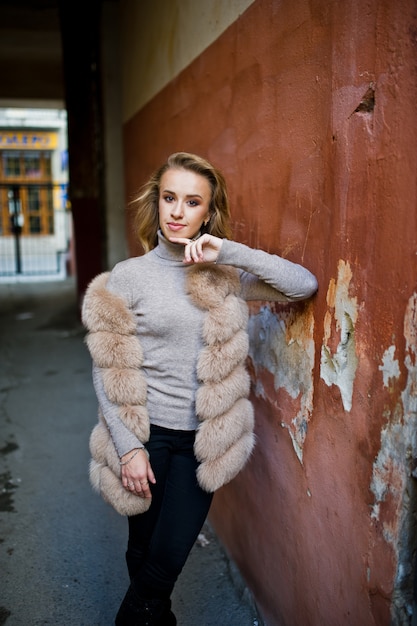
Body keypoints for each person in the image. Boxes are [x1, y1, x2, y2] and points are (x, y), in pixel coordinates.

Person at [82, 152, 318, 625]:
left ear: (207, 212)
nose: (177, 212)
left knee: (166, 559)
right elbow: (106, 370)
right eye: (169, 198)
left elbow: (303, 285)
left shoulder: (223, 274)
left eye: (192, 202)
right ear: (157, 201)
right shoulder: (129, 277)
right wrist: (129, 449)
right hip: (145, 437)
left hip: (200, 442)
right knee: (144, 549)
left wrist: (228, 251)